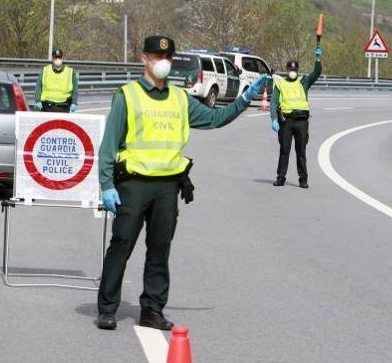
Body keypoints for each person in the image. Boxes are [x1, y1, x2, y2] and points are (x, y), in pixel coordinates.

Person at [96, 35, 267, 330]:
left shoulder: (180, 98)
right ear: (143, 59)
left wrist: (243, 101)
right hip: (133, 185)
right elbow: (109, 145)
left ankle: (152, 310)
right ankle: (107, 308)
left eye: (167, 57)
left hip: (167, 187)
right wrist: (106, 184)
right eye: (155, 56)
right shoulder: (128, 95)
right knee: (121, 245)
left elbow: (214, 118)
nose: (161, 61)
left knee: (160, 250)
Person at [270, 46, 323, 189]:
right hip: (286, 122)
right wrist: (274, 119)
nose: (292, 72)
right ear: (287, 70)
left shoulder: (304, 81)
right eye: (290, 70)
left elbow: (317, 73)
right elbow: (274, 102)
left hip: (301, 122)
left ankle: (303, 179)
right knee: (284, 150)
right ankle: (280, 177)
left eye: (295, 70)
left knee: (301, 151)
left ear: (297, 70)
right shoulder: (280, 84)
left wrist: (318, 59)